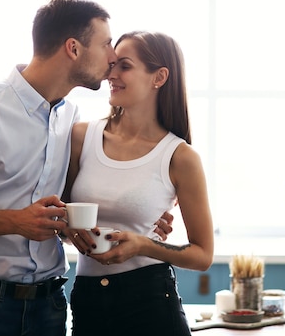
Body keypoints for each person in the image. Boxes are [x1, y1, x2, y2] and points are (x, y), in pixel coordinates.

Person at [0, 0, 173, 336]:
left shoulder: (70, 119)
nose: (112, 57)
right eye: (106, 43)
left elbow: (61, 211)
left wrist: (141, 217)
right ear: (73, 48)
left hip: (50, 305)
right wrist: (16, 221)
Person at [61, 31, 214, 336]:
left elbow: (202, 255)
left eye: (124, 67)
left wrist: (144, 245)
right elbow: (60, 218)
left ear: (159, 77)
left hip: (152, 303)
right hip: (87, 300)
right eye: (112, 64)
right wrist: (67, 229)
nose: (111, 74)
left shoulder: (180, 157)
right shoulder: (81, 137)